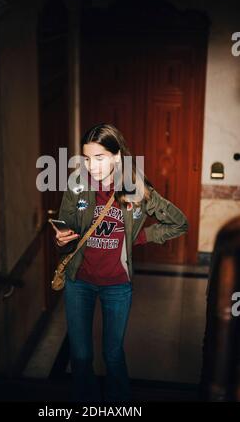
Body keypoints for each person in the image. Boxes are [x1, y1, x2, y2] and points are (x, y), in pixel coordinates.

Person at [53, 123, 189, 403]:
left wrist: (139, 238)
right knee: (80, 357)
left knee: (113, 355)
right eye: (87, 159)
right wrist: (61, 238)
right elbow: (66, 225)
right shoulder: (77, 184)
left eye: (99, 158)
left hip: (117, 286)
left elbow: (179, 223)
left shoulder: (136, 188)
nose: (91, 166)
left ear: (117, 156)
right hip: (79, 282)